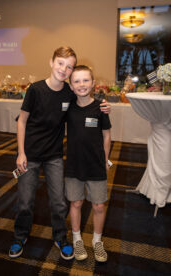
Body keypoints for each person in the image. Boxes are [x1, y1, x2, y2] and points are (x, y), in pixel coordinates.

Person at [9, 47, 111, 260]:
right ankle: (20, 236)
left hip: (54, 155)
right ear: (51, 62)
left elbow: (87, 102)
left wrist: (104, 105)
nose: (64, 69)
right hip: (30, 154)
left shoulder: (69, 92)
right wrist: (20, 153)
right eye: (61, 63)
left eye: (69, 66)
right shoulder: (35, 90)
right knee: (25, 200)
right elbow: (22, 121)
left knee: (59, 201)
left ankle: (60, 237)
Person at [65, 65, 111, 262]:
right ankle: (76, 238)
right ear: (71, 86)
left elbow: (106, 135)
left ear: (93, 83)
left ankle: (97, 241)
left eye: (85, 80)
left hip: (95, 164)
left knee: (99, 206)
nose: (81, 84)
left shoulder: (101, 107)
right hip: (74, 164)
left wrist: (105, 160)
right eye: (76, 81)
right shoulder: (67, 107)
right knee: (76, 202)